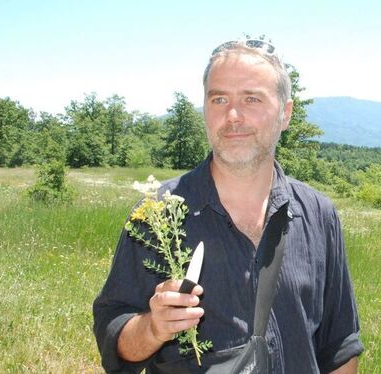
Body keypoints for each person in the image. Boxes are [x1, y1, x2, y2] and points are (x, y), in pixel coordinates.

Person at [93, 36, 364, 373]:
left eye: (252, 99)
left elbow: (339, 347)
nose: (233, 115)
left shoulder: (319, 215)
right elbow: (113, 333)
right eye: (219, 99)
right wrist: (152, 328)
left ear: (285, 113)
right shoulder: (158, 216)